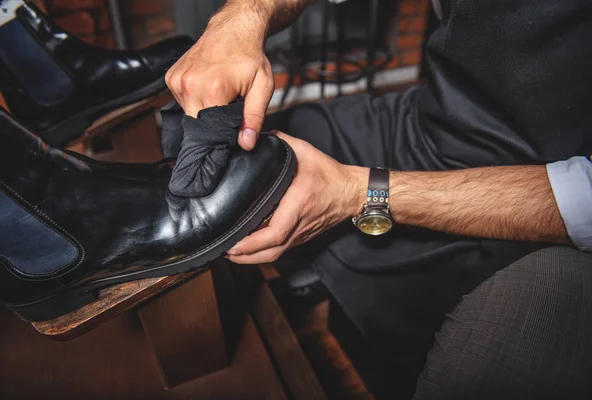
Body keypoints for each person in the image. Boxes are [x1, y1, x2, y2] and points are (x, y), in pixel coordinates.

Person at [167, 0, 592, 398]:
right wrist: (244, 16)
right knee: (249, 168)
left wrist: (357, 193)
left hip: (551, 190)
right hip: (442, 123)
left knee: (472, 375)